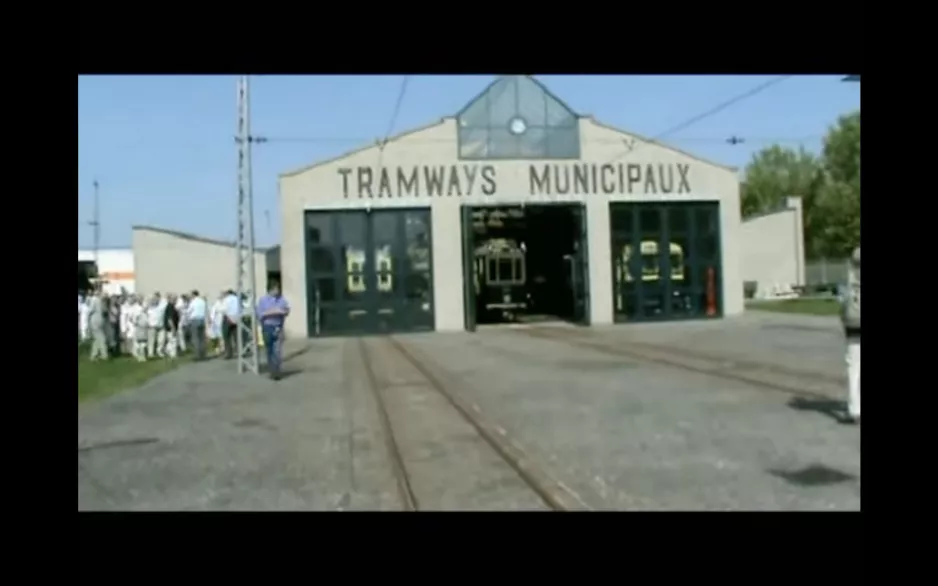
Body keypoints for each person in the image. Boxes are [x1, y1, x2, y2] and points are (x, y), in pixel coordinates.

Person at [840, 246, 861, 424]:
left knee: (854, 369)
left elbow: (843, 302)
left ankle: (854, 410)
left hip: (854, 325)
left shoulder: (851, 277)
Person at [256, 282, 290, 380]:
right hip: (267, 327)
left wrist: (283, 311)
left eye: (278, 289)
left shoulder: (282, 299)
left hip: (278, 327)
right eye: (275, 289)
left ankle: (277, 371)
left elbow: (286, 310)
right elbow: (260, 314)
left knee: (277, 350)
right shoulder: (263, 300)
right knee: (269, 350)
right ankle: (272, 370)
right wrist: (271, 312)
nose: (277, 291)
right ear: (270, 290)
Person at [187, 290, 208, 361]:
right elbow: (205, 310)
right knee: (202, 339)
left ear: (193, 295)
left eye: (191, 295)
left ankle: (197, 355)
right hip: (202, 320)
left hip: (195, 320)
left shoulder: (193, 302)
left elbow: (189, 311)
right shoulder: (202, 301)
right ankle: (203, 354)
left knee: (195, 339)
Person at [87, 289, 108, 361]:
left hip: (99, 322)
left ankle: (93, 355)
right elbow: (90, 310)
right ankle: (104, 355)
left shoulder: (101, 301)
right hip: (95, 321)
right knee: (102, 338)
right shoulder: (95, 300)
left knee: (97, 339)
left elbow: (104, 311)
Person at [221, 289, 241, 360]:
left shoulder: (226, 299)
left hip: (228, 318)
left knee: (226, 337)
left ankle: (229, 353)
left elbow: (223, 309)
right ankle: (239, 351)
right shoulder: (237, 298)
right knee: (236, 336)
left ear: (227, 293)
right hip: (236, 318)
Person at [147, 293, 167, 358]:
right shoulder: (149, 307)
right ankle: (150, 353)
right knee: (151, 341)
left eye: (156, 298)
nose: (155, 299)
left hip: (161, 326)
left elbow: (165, 300)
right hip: (152, 326)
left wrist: (160, 298)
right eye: (153, 298)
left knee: (161, 340)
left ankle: (159, 352)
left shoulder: (162, 305)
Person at [163, 294, 180, 358]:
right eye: (174, 299)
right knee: (173, 340)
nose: (175, 300)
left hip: (172, 327)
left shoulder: (172, 306)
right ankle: (173, 354)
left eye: (176, 299)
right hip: (171, 327)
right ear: (170, 300)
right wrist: (173, 328)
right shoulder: (170, 307)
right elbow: (170, 319)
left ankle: (167, 350)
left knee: (171, 340)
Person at [208, 292, 226, 356]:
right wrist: (211, 322)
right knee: (217, 337)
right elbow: (212, 314)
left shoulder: (224, 304)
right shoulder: (216, 304)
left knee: (221, 337)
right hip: (217, 323)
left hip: (222, 322)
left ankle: (222, 349)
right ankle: (218, 349)